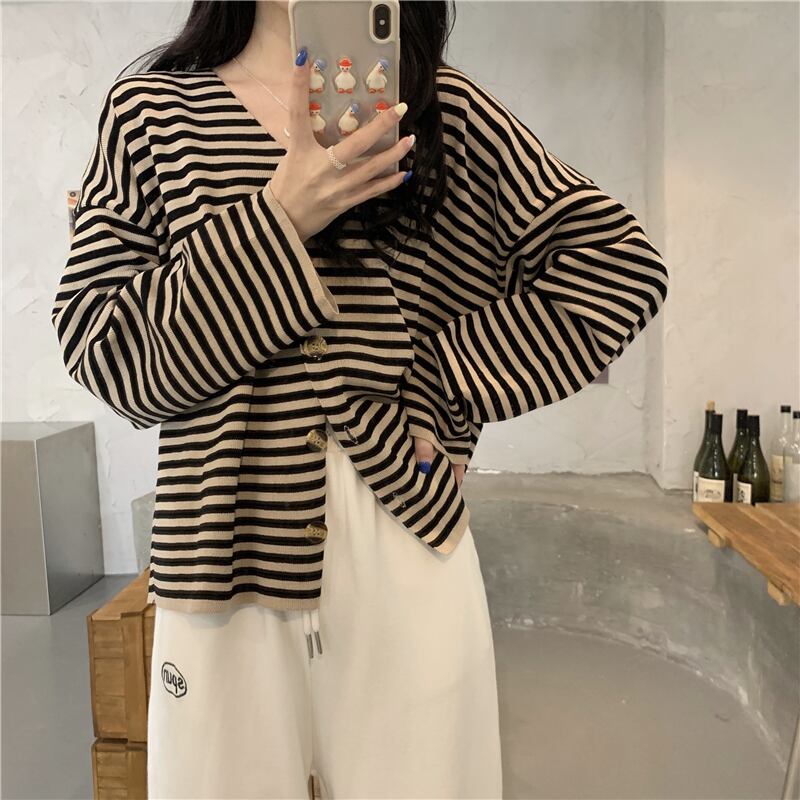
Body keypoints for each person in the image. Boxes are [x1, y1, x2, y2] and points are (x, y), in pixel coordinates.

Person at [51, 1, 669, 798]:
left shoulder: (438, 108)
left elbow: (617, 267)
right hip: (221, 549)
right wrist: (280, 218)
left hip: (401, 534)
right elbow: (104, 348)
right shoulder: (154, 114)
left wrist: (445, 383)